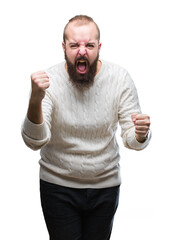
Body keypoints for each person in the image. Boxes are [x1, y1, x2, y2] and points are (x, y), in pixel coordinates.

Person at [21, 15, 151, 240]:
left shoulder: (119, 78)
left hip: (105, 186)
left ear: (99, 47)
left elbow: (133, 139)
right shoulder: (48, 81)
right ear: (64, 47)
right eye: (74, 45)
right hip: (57, 186)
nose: (82, 51)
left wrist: (141, 134)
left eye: (89, 45)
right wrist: (35, 99)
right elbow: (35, 141)